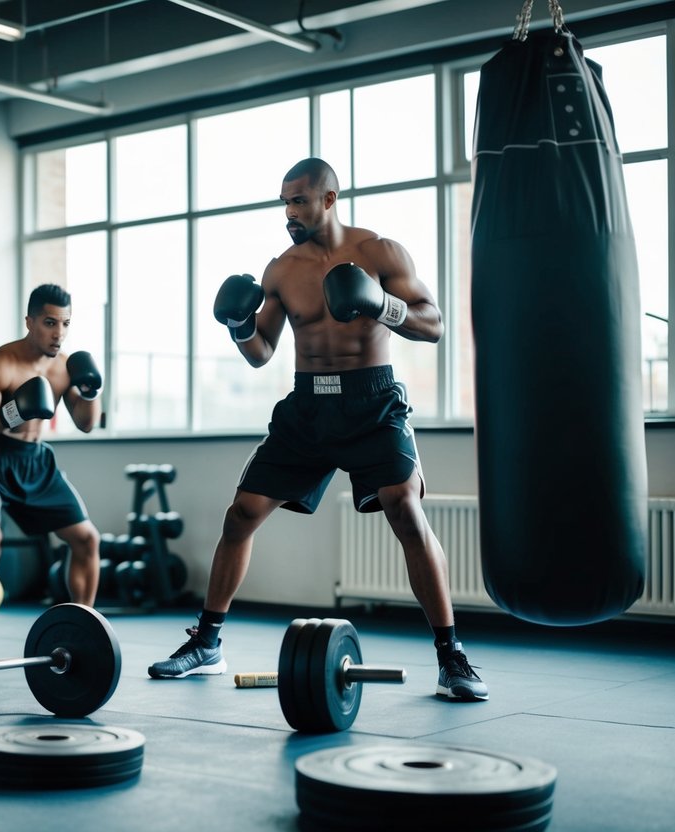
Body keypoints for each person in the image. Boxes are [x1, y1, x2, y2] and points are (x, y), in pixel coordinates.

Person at [147, 158, 488, 702]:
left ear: (328, 199)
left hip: (372, 401)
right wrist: (239, 325)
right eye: (284, 202)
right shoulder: (281, 270)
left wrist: (381, 304)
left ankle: (452, 657)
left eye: (299, 201)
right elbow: (261, 352)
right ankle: (207, 643)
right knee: (241, 514)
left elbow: (434, 324)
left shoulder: (380, 252)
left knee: (404, 505)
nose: (289, 212)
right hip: (308, 406)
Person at [0, 284, 103, 650]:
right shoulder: (0, 363)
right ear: (30, 321)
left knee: (87, 539)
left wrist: (90, 392)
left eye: (65, 324)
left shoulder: (64, 367)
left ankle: (83, 629)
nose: (59, 333)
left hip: (36, 461)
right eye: (50, 323)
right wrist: (15, 412)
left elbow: (86, 424)